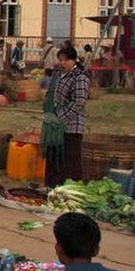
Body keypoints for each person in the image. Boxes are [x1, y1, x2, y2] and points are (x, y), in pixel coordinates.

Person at [42, 46, 89, 187]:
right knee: (54, 158)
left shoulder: (80, 77)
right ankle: (52, 187)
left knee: (70, 160)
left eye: (66, 60)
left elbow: (79, 102)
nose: (63, 63)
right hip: (54, 126)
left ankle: (69, 189)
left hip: (71, 126)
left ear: (74, 60)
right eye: (61, 60)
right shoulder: (58, 75)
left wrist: (60, 117)